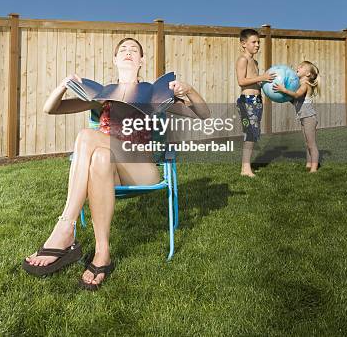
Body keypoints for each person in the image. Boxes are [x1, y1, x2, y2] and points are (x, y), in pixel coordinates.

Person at [22, 37, 210, 289]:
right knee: (99, 156)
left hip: (142, 169)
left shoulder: (155, 95)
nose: (128, 52)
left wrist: (188, 90)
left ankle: (65, 228)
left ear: (142, 60)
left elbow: (204, 114)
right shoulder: (102, 96)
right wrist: (63, 86)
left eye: (134, 50)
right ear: (114, 59)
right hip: (110, 169)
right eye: (123, 49)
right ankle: (102, 254)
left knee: (86, 136)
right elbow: (50, 108)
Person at [235, 29, 276, 177]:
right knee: (250, 134)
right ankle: (245, 169)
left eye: (258, 42)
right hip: (247, 102)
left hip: (257, 101)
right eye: (254, 42)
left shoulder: (255, 61)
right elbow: (241, 81)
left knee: (254, 134)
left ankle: (246, 167)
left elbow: (256, 83)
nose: (257, 45)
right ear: (244, 44)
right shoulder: (243, 60)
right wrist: (262, 77)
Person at [273, 61, 320, 172]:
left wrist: (284, 90)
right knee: (307, 143)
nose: (298, 67)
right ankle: (309, 164)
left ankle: (314, 168)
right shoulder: (300, 85)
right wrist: (283, 97)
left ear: (308, 74)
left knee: (312, 144)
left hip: (309, 118)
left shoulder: (305, 85)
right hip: (304, 117)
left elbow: (297, 95)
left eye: (301, 66)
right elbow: (295, 101)